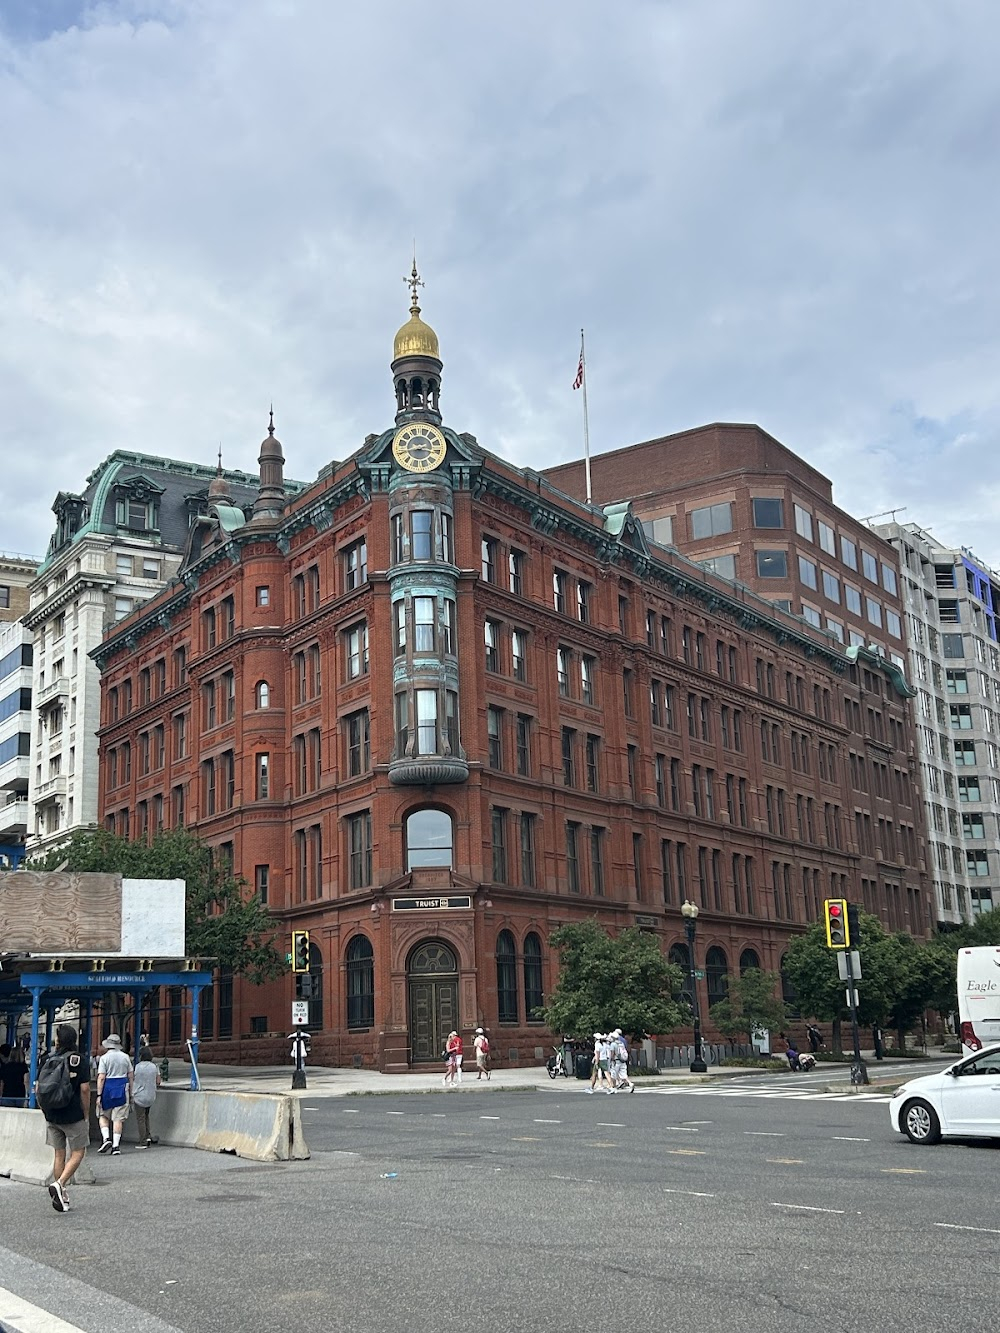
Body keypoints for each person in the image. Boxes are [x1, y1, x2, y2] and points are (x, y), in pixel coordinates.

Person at [36, 1023, 90, 1213]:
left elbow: (38, 1089)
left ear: (58, 1040)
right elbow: (84, 1089)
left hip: (52, 1114)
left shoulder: (47, 1059)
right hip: (72, 1113)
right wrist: (86, 1112)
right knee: (78, 1152)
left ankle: (60, 1192)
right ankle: (60, 1184)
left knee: (59, 1154)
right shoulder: (79, 1060)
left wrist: (44, 1109)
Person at [95, 1034, 133, 1155]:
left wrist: (99, 1095)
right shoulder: (125, 1057)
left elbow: (101, 1077)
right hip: (122, 1087)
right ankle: (116, 1146)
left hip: (107, 1087)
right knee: (118, 1119)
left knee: (103, 1115)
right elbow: (131, 1075)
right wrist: (131, 1092)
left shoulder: (104, 1058)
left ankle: (106, 1138)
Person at [131, 1046, 161, 1148]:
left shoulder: (137, 1067)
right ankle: (148, 1136)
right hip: (151, 1095)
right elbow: (158, 1081)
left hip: (139, 1096)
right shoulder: (154, 1067)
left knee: (140, 1119)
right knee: (146, 1116)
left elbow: (132, 1078)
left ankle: (143, 1141)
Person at [0, 1042, 30, 1106]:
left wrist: (1, 1095)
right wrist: (28, 1095)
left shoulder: (5, 1067)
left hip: (7, 1094)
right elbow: (26, 1081)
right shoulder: (23, 1067)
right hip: (20, 1095)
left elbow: (2, 1083)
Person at [610, 1029, 635, 1094]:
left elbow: (612, 1054)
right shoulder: (621, 1043)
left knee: (613, 1075)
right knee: (624, 1075)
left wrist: (611, 1060)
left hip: (616, 1061)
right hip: (623, 1061)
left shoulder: (613, 1044)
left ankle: (613, 1088)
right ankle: (630, 1084)